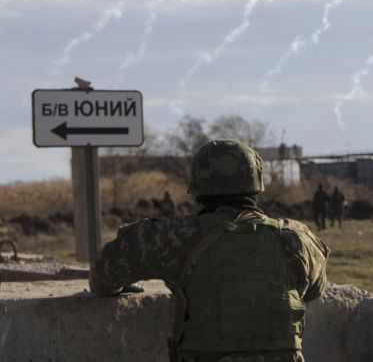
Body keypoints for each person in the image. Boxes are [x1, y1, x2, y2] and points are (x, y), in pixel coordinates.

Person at [90, 139, 329, 362]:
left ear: (198, 187)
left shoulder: (173, 236)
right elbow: (314, 290)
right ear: (256, 184)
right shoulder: (296, 238)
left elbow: (102, 277)